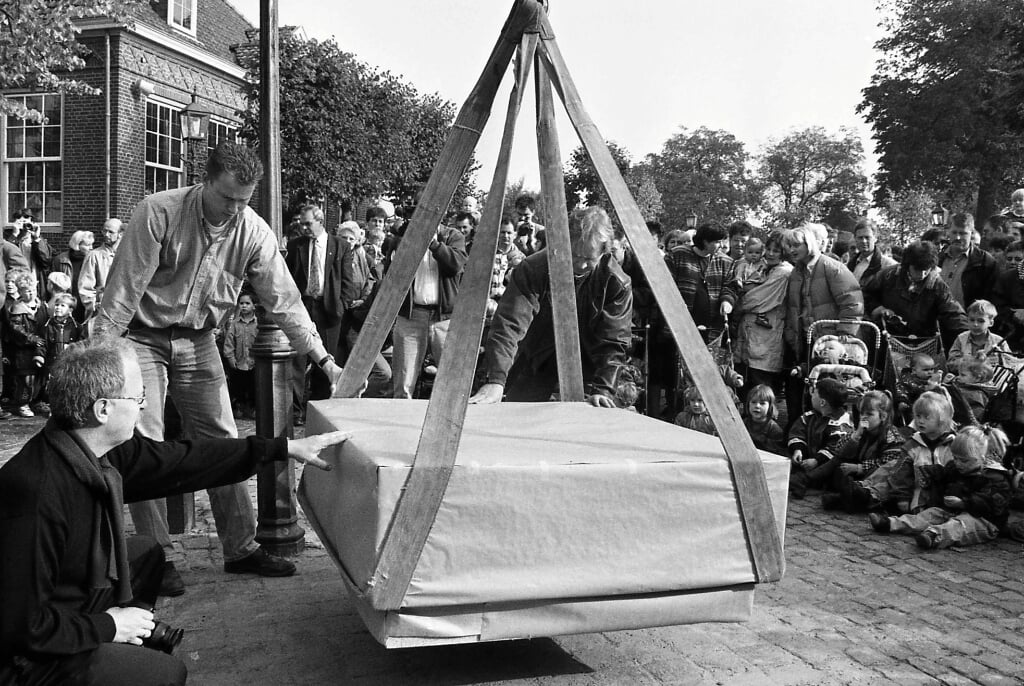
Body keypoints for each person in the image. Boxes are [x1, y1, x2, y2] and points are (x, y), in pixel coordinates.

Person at [0, 337, 346, 685]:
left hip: (64, 606)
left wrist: (281, 448)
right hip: (24, 657)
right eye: (138, 398)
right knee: (165, 674)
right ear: (102, 409)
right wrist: (110, 625)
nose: (143, 407)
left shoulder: (95, 450)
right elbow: (20, 625)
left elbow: (184, 461)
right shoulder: (34, 494)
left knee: (146, 555)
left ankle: (120, 650)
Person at [92, 141, 345, 588]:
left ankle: (240, 547)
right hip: (143, 338)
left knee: (223, 439)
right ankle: (154, 557)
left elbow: (285, 302)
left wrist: (325, 360)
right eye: (226, 197)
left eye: (243, 201)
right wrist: (103, 360)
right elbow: (121, 294)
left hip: (199, 340)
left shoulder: (253, 232)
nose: (233, 209)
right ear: (205, 182)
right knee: (141, 442)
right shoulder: (158, 213)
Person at [469, 206, 632, 407]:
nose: (580, 265)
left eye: (589, 259)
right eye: (575, 256)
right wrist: (496, 379)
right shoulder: (534, 269)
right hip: (535, 359)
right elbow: (509, 324)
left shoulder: (616, 283)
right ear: (563, 244)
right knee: (516, 419)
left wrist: (604, 390)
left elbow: (613, 341)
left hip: (588, 367)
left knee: (582, 426)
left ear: (604, 253)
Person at [868, 426, 1011, 550]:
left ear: (983, 457)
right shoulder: (955, 468)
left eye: (964, 460)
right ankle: (892, 523)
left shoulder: (995, 478)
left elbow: (992, 503)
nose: (958, 463)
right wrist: (930, 473)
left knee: (960, 525)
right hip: (952, 510)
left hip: (983, 520)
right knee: (929, 514)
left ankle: (934, 535)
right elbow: (943, 476)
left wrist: (964, 503)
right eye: (955, 458)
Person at [781, 224, 863, 423]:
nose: (792, 250)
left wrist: (844, 333)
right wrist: (793, 338)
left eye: (796, 245)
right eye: (789, 246)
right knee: (808, 393)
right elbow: (794, 309)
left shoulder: (831, 267)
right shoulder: (796, 273)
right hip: (807, 343)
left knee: (830, 396)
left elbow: (852, 300)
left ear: (809, 243)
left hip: (830, 343)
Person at [388, 216, 467, 399]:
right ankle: (403, 424)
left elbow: (456, 265)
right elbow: (392, 272)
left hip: (444, 319)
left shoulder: (452, 235)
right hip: (411, 316)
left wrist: (433, 244)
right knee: (403, 383)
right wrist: (405, 239)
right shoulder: (404, 237)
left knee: (452, 380)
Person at [284, 204, 347, 424]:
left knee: (326, 361)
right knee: (297, 361)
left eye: (308, 223)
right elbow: (289, 277)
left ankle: (319, 411)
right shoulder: (296, 246)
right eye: (302, 223)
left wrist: (341, 305)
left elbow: (347, 280)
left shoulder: (340, 246)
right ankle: (296, 413)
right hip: (303, 306)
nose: (304, 228)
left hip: (328, 310)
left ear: (320, 221)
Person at [849, 391, 956, 515]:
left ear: (941, 419)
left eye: (926, 417)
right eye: (918, 416)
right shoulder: (913, 444)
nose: (920, 421)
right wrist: (902, 497)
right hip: (915, 494)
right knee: (893, 474)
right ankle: (862, 492)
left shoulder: (952, 445)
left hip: (941, 497)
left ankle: (868, 498)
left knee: (890, 470)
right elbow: (902, 473)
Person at [863, 240, 967, 351]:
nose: (922, 274)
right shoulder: (888, 275)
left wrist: (968, 334)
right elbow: (866, 295)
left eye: (926, 270)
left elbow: (953, 313)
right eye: (917, 270)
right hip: (886, 341)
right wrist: (878, 309)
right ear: (907, 265)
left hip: (922, 345)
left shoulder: (937, 285)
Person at [822, 391, 905, 511]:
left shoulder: (892, 437)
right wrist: (856, 435)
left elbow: (888, 464)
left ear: (883, 416)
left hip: (875, 479)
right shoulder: (863, 431)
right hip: (859, 477)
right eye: (862, 413)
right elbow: (839, 450)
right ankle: (812, 479)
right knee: (838, 462)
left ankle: (845, 497)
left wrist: (860, 468)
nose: (864, 417)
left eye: (870, 414)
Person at [735, 231, 793, 395]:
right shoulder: (766, 268)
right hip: (752, 336)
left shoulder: (783, 273)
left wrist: (740, 300)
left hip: (765, 337)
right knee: (747, 384)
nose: (771, 254)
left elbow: (755, 300)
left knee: (761, 387)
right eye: (769, 249)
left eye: (776, 251)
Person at [787, 377, 855, 498]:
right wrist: (798, 449)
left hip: (826, 464)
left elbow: (835, 448)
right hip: (807, 460)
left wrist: (817, 460)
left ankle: (803, 482)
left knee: (835, 470)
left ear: (822, 402)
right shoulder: (810, 416)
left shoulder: (842, 423)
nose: (811, 396)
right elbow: (797, 432)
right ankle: (798, 481)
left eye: (814, 394)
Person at [3, 270, 47, 418]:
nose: (31, 293)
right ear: (21, 291)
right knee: (25, 379)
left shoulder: (42, 306)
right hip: (24, 351)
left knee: (39, 378)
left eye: (33, 290)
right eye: (27, 291)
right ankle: (22, 404)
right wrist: (32, 338)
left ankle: (35, 400)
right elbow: (16, 329)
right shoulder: (17, 308)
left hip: (40, 348)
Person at [938, 213, 996, 310]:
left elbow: (990, 299)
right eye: (954, 232)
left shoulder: (985, 261)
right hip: (938, 320)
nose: (957, 238)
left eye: (962, 233)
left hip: (969, 321)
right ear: (948, 232)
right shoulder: (938, 259)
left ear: (971, 233)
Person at [945, 299, 1010, 373]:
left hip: (992, 381)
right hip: (966, 380)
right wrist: (972, 362)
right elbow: (951, 364)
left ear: (991, 323)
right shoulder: (961, 339)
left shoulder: (999, 341)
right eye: (972, 320)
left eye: (981, 321)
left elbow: (1010, 364)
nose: (975, 324)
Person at [78, 218, 124, 320]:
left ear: (120, 234)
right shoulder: (94, 255)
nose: (106, 235)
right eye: (104, 231)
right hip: (100, 313)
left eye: (111, 232)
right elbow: (85, 287)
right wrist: (93, 306)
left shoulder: (127, 256)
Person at [223, 292, 259, 419]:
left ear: (254, 306)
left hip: (254, 364)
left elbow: (260, 342)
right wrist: (230, 358)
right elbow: (229, 342)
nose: (244, 306)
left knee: (254, 387)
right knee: (238, 386)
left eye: (247, 303)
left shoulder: (258, 324)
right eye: (241, 303)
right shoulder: (235, 324)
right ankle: (239, 406)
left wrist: (258, 359)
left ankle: (253, 408)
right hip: (239, 362)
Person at [847, 219, 896, 286]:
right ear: (855, 239)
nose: (863, 241)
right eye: (860, 238)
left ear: (875, 238)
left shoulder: (888, 265)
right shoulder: (850, 265)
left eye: (867, 237)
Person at [743, 383, 784, 454]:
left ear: (770, 406)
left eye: (762, 403)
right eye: (753, 402)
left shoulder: (774, 428)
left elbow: (778, 449)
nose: (757, 406)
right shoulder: (744, 423)